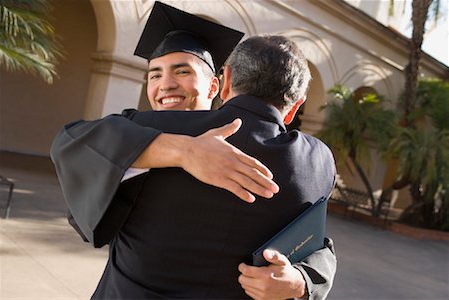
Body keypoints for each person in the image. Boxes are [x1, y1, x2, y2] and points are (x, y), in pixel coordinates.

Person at [52, 2, 336, 299]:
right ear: (295, 107)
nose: (166, 86)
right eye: (155, 74)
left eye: (182, 71)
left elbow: (70, 143)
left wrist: (171, 145)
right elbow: (314, 240)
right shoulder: (318, 162)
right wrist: (304, 281)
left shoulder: (140, 130)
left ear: (221, 84)